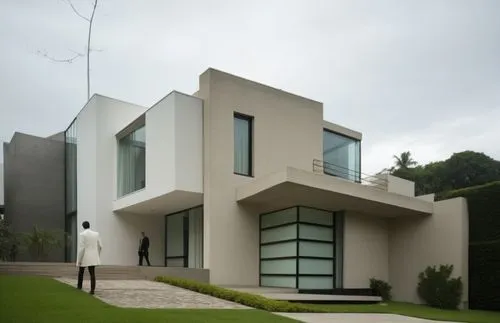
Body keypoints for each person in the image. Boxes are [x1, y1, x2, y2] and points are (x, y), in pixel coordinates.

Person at [76, 221, 102, 295]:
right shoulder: (96, 234)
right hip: (93, 255)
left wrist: (79, 259)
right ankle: (92, 290)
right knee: (92, 273)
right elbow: (100, 246)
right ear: (89, 226)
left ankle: (79, 286)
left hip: (85, 255)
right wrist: (97, 255)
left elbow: (82, 248)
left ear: (83, 226)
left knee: (81, 271)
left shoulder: (82, 234)